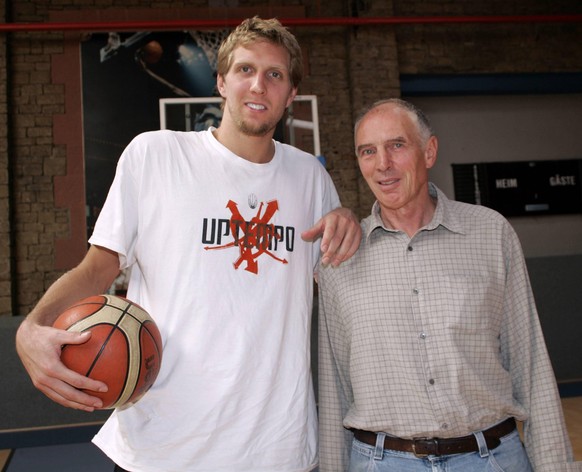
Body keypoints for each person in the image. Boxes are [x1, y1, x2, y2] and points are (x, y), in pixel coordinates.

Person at [15, 17, 361, 472]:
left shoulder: (310, 177)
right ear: (220, 81)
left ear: (291, 94)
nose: (258, 85)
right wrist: (31, 328)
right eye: (245, 69)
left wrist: (348, 218)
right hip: (163, 445)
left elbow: (343, 282)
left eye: (275, 74)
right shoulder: (154, 154)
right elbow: (98, 268)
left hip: (275, 448)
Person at [317, 98, 577, 472]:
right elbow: (334, 386)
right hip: (381, 463)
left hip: (491, 459)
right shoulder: (339, 260)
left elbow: (530, 362)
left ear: (429, 151)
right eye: (368, 151)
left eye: (397, 145)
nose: (382, 164)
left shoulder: (490, 233)